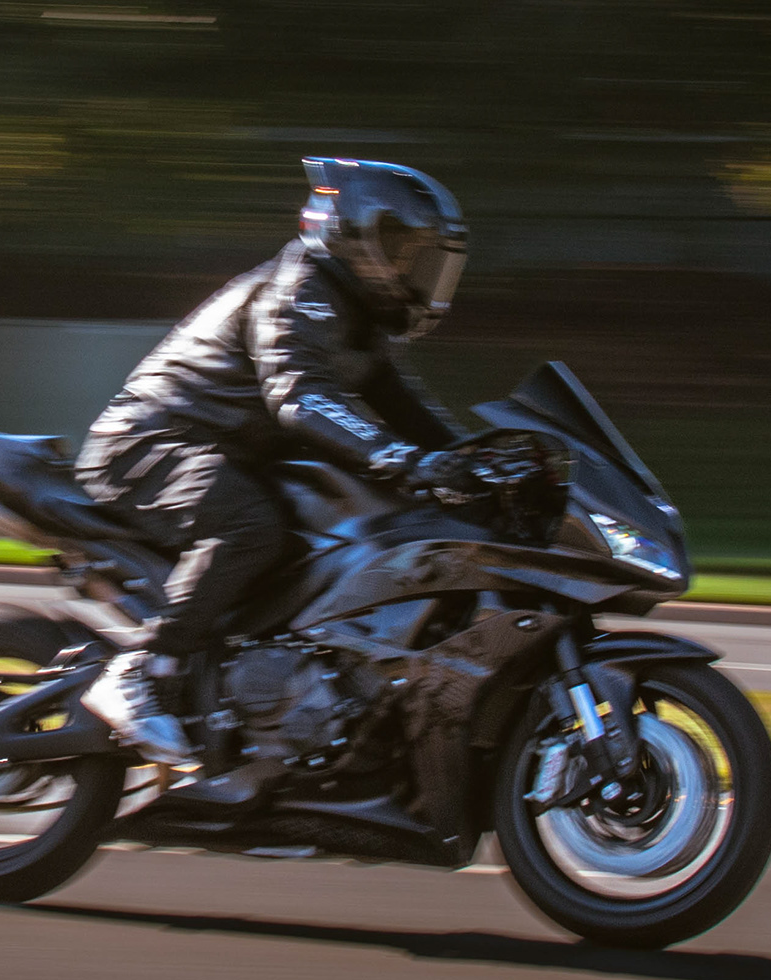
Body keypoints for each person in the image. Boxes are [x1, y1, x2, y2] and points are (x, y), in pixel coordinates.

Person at [77, 156, 487, 763]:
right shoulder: (298, 291)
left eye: (425, 259)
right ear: (361, 239)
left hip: (225, 454)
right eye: (406, 253)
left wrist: (475, 463)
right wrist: (400, 458)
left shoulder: (359, 322)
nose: (416, 271)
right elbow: (301, 397)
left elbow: (409, 410)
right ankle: (143, 667)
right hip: (149, 442)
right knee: (252, 527)